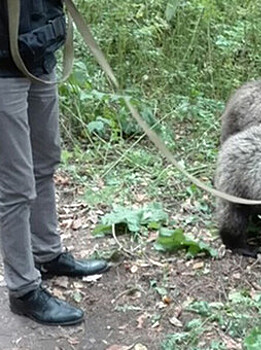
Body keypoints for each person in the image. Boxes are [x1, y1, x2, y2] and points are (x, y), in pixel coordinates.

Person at [0, 1, 109, 326]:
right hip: (4, 69)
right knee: (16, 185)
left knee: (45, 162)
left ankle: (47, 253)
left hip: (39, 52)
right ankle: (23, 290)